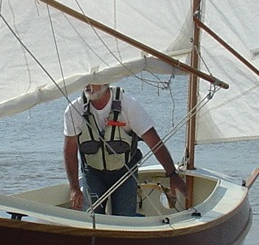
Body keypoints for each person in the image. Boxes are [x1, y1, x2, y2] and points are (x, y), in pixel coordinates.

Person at [63, 83, 187, 215]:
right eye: (85, 80)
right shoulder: (74, 110)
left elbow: (154, 143)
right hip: (93, 172)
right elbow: (70, 151)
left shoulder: (129, 106)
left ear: (106, 81)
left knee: (124, 216)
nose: (88, 84)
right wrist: (74, 188)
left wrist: (173, 174)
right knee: (91, 215)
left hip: (125, 171)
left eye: (93, 80)